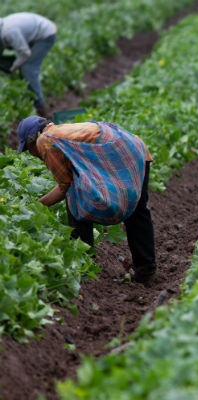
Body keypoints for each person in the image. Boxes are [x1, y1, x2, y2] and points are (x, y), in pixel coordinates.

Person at [16, 116, 157, 283]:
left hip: (120, 153)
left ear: (33, 141)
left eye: (28, 149)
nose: (32, 154)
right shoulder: (63, 131)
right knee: (137, 209)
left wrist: (36, 206)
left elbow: (65, 186)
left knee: (75, 201)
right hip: (136, 148)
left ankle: (82, 261)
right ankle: (145, 269)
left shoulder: (44, 141)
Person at [0, 12, 57, 114]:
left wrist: (13, 67)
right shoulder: (3, 29)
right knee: (23, 67)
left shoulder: (9, 32)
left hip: (46, 34)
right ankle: (29, 100)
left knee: (28, 68)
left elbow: (25, 53)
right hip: (33, 35)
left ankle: (39, 106)